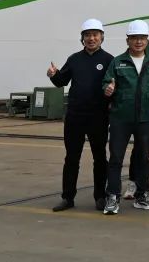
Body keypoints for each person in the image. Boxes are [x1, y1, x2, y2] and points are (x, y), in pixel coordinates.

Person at [47, 18, 114, 212]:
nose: (91, 38)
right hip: (75, 117)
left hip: (98, 117)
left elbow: (114, 86)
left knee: (100, 158)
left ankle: (100, 197)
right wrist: (53, 74)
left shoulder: (109, 60)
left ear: (101, 37)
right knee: (71, 158)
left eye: (95, 35)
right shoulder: (74, 59)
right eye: (87, 35)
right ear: (82, 38)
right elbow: (61, 81)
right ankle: (67, 198)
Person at [101, 20, 149, 214]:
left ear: (147, 40)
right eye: (134, 38)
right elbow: (106, 83)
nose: (138, 42)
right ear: (127, 40)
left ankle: (142, 195)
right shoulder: (117, 62)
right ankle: (112, 197)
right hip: (121, 118)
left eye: (142, 38)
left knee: (143, 158)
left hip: (145, 118)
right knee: (116, 158)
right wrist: (108, 89)